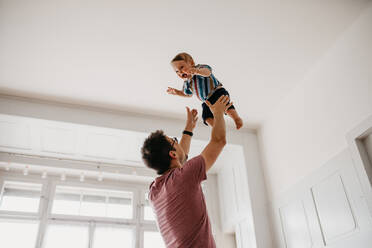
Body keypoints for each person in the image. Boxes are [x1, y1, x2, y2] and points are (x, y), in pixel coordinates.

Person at [141, 95, 232, 247]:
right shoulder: (183, 177)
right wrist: (217, 111)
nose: (177, 142)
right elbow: (219, 141)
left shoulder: (154, 191)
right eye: (174, 141)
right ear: (172, 154)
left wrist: (188, 130)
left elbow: (180, 160)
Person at [167, 52, 243, 130]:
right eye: (177, 71)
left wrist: (196, 71)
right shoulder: (187, 82)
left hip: (217, 92)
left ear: (191, 63)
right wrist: (177, 92)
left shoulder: (200, 68)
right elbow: (187, 94)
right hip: (206, 101)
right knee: (206, 117)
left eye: (182, 67)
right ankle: (216, 128)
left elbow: (207, 73)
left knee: (226, 106)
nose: (180, 72)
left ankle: (236, 118)